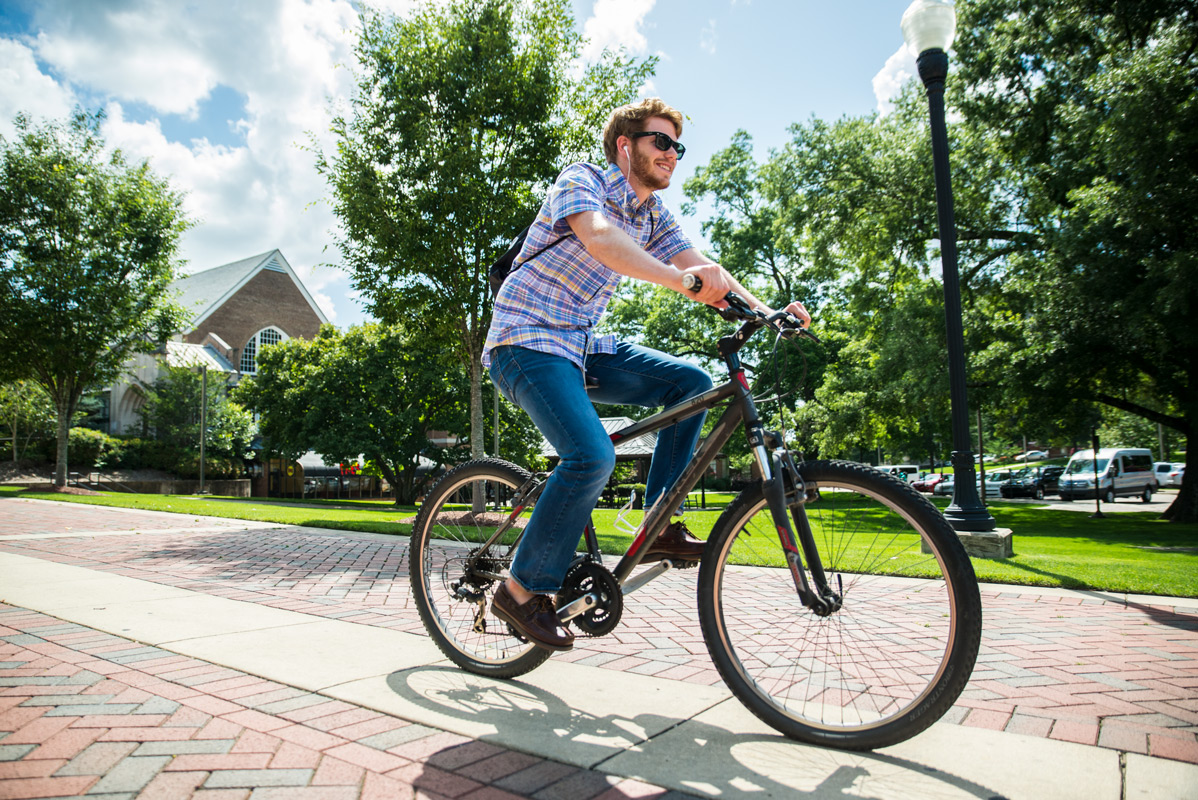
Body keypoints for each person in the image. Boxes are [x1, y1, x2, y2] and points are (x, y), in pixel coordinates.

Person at [483, 98, 810, 651]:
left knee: (691, 384)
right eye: (661, 142)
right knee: (592, 455)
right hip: (525, 339)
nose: (672, 155)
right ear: (625, 146)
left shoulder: (654, 215)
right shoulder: (582, 180)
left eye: (678, 148)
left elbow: (702, 266)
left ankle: (657, 523)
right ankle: (517, 590)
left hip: (581, 346)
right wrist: (682, 283)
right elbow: (602, 240)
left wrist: (765, 309)